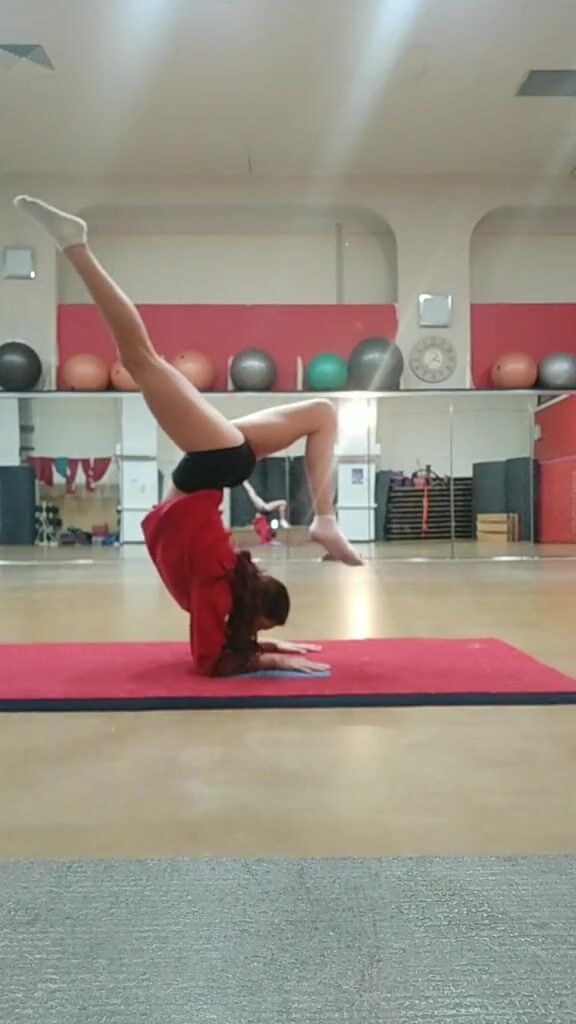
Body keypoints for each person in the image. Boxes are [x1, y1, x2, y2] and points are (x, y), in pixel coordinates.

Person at [14, 195, 363, 677]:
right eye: (257, 628)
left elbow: (214, 651)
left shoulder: (229, 579)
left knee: (322, 413)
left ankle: (326, 518)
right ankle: (74, 245)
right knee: (140, 359)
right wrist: (266, 655)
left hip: (218, 465)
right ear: (251, 611)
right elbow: (212, 660)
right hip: (212, 464)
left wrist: (264, 645)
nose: (252, 633)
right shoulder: (219, 586)